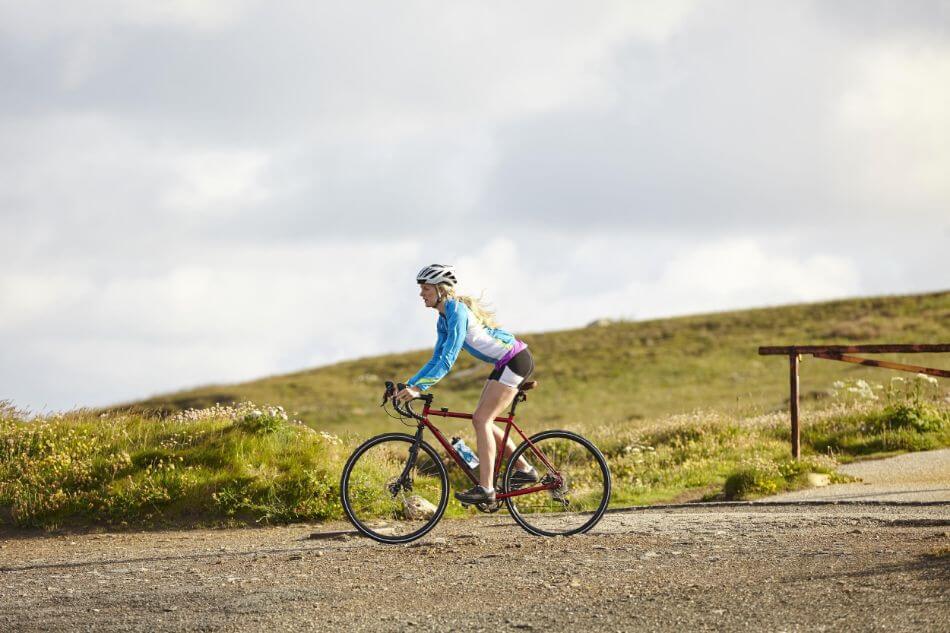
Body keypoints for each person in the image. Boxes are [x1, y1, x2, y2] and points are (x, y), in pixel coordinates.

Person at [395, 264, 537, 504]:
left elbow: (449, 358)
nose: (422, 294)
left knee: (482, 419)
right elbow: (436, 358)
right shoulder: (443, 318)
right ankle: (524, 470)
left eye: (426, 288)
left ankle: (487, 488)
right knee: (480, 419)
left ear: (441, 290)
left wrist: (419, 389)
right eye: (422, 289)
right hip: (505, 363)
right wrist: (409, 384)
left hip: (515, 360)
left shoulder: (456, 311)